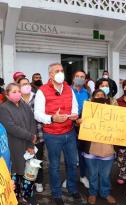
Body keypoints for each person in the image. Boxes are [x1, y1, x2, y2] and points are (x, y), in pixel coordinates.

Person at [34, 63, 80, 205]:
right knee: (54, 166)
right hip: (52, 135)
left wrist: (74, 115)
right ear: (50, 75)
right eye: (57, 71)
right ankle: (56, 193)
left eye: (61, 70)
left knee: (72, 163)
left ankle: (72, 188)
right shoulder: (42, 91)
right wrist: (52, 118)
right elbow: (37, 114)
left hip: (69, 132)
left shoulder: (68, 88)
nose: (60, 73)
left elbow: (75, 106)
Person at [0, 83, 37, 204]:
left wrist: (31, 143)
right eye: (14, 92)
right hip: (14, 145)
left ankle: (27, 197)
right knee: (16, 173)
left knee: (29, 173)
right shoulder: (3, 108)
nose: (18, 94)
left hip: (28, 144)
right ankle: (15, 198)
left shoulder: (24, 105)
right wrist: (30, 136)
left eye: (19, 91)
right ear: (7, 94)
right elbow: (10, 127)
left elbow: (32, 123)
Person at [79, 89, 117, 205]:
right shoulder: (86, 109)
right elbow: (79, 127)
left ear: (106, 98)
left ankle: (105, 193)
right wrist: (78, 122)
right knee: (93, 174)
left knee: (105, 175)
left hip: (108, 148)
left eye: (102, 95)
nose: (100, 96)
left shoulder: (113, 111)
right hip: (91, 148)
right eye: (97, 95)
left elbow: (120, 125)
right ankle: (93, 193)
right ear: (92, 97)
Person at [18, 77, 45, 193]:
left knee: (37, 159)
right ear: (18, 87)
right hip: (22, 136)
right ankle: (28, 182)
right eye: (23, 84)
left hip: (38, 134)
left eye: (27, 83)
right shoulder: (16, 99)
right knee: (25, 159)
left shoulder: (37, 97)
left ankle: (39, 181)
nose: (26, 85)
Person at [70, 70, 90, 189]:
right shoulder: (67, 91)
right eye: (77, 76)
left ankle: (83, 176)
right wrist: (74, 120)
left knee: (83, 154)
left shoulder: (87, 93)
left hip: (83, 127)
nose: (79, 78)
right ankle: (70, 178)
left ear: (85, 80)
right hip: (69, 126)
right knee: (70, 155)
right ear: (73, 78)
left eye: (82, 77)